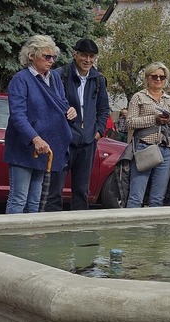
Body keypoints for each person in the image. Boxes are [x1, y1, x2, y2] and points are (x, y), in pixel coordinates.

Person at [4, 35, 75, 213]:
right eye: (47, 56)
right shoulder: (20, 79)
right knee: (19, 199)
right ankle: (13, 240)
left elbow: (61, 104)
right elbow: (17, 115)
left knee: (35, 201)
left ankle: (30, 240)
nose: (51, 61)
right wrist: (35, 138)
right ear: (32, 55)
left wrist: (70, 111)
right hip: (25, 146)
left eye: (53, 57)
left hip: (46, 147)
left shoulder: (55, 79)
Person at [45, 38, 109, 211]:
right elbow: (51, 105)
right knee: (54, 191)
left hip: (88, 141)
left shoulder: (98, 79)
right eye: (84, 55)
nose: (88, 60)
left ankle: (78, 234)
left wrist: (98, 132)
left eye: (91, 56)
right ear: (75, 55)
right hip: (63, 140)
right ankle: (53, 230)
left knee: (82, 191)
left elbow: (103, 109)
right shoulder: (60, 75)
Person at [126, 62, 170, 207]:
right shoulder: (138, 97)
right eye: (155, 76)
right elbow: (130, 122)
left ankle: (153, 230)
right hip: (144, 147)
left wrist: (169, 119)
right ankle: (130, 229)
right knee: (136, 197)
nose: (158, 79)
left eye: (162, 77)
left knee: (158, 199)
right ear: (147, 78)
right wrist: (154, 119)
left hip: (166, 150)